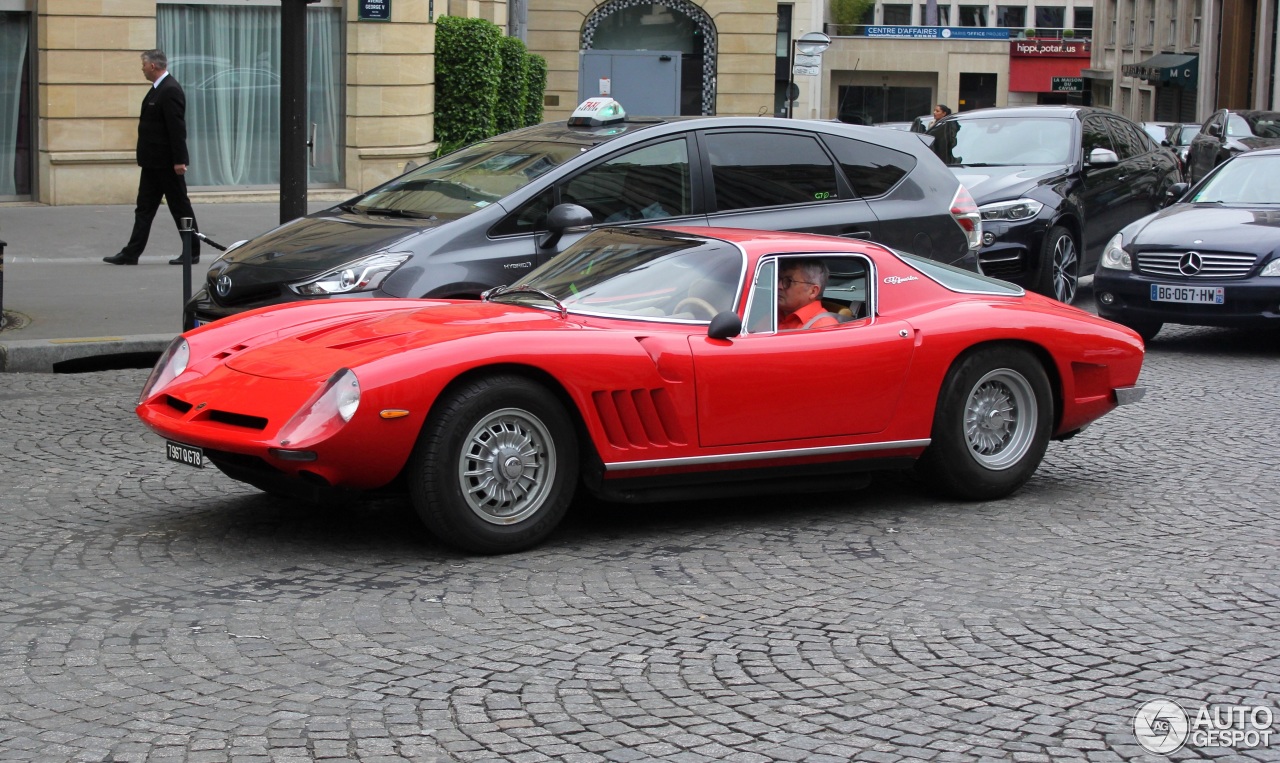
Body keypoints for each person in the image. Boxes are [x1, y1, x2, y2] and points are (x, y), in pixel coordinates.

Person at [104, 49, 200, 266]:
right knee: (144, 208)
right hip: (152, 163)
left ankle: (192, 251)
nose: (142, 69)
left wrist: (179, 160)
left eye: (143, 65)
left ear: (153, 66)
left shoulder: (170, 90)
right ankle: (131, 253)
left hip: (167, 163)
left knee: (180, 207)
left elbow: (177, 129)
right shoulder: (158, 89)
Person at [777, 259, 838, 330]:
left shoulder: (823, 328)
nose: (779, 286)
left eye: (788, 281)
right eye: (779, 279)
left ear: (812, 291)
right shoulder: (775, 313)